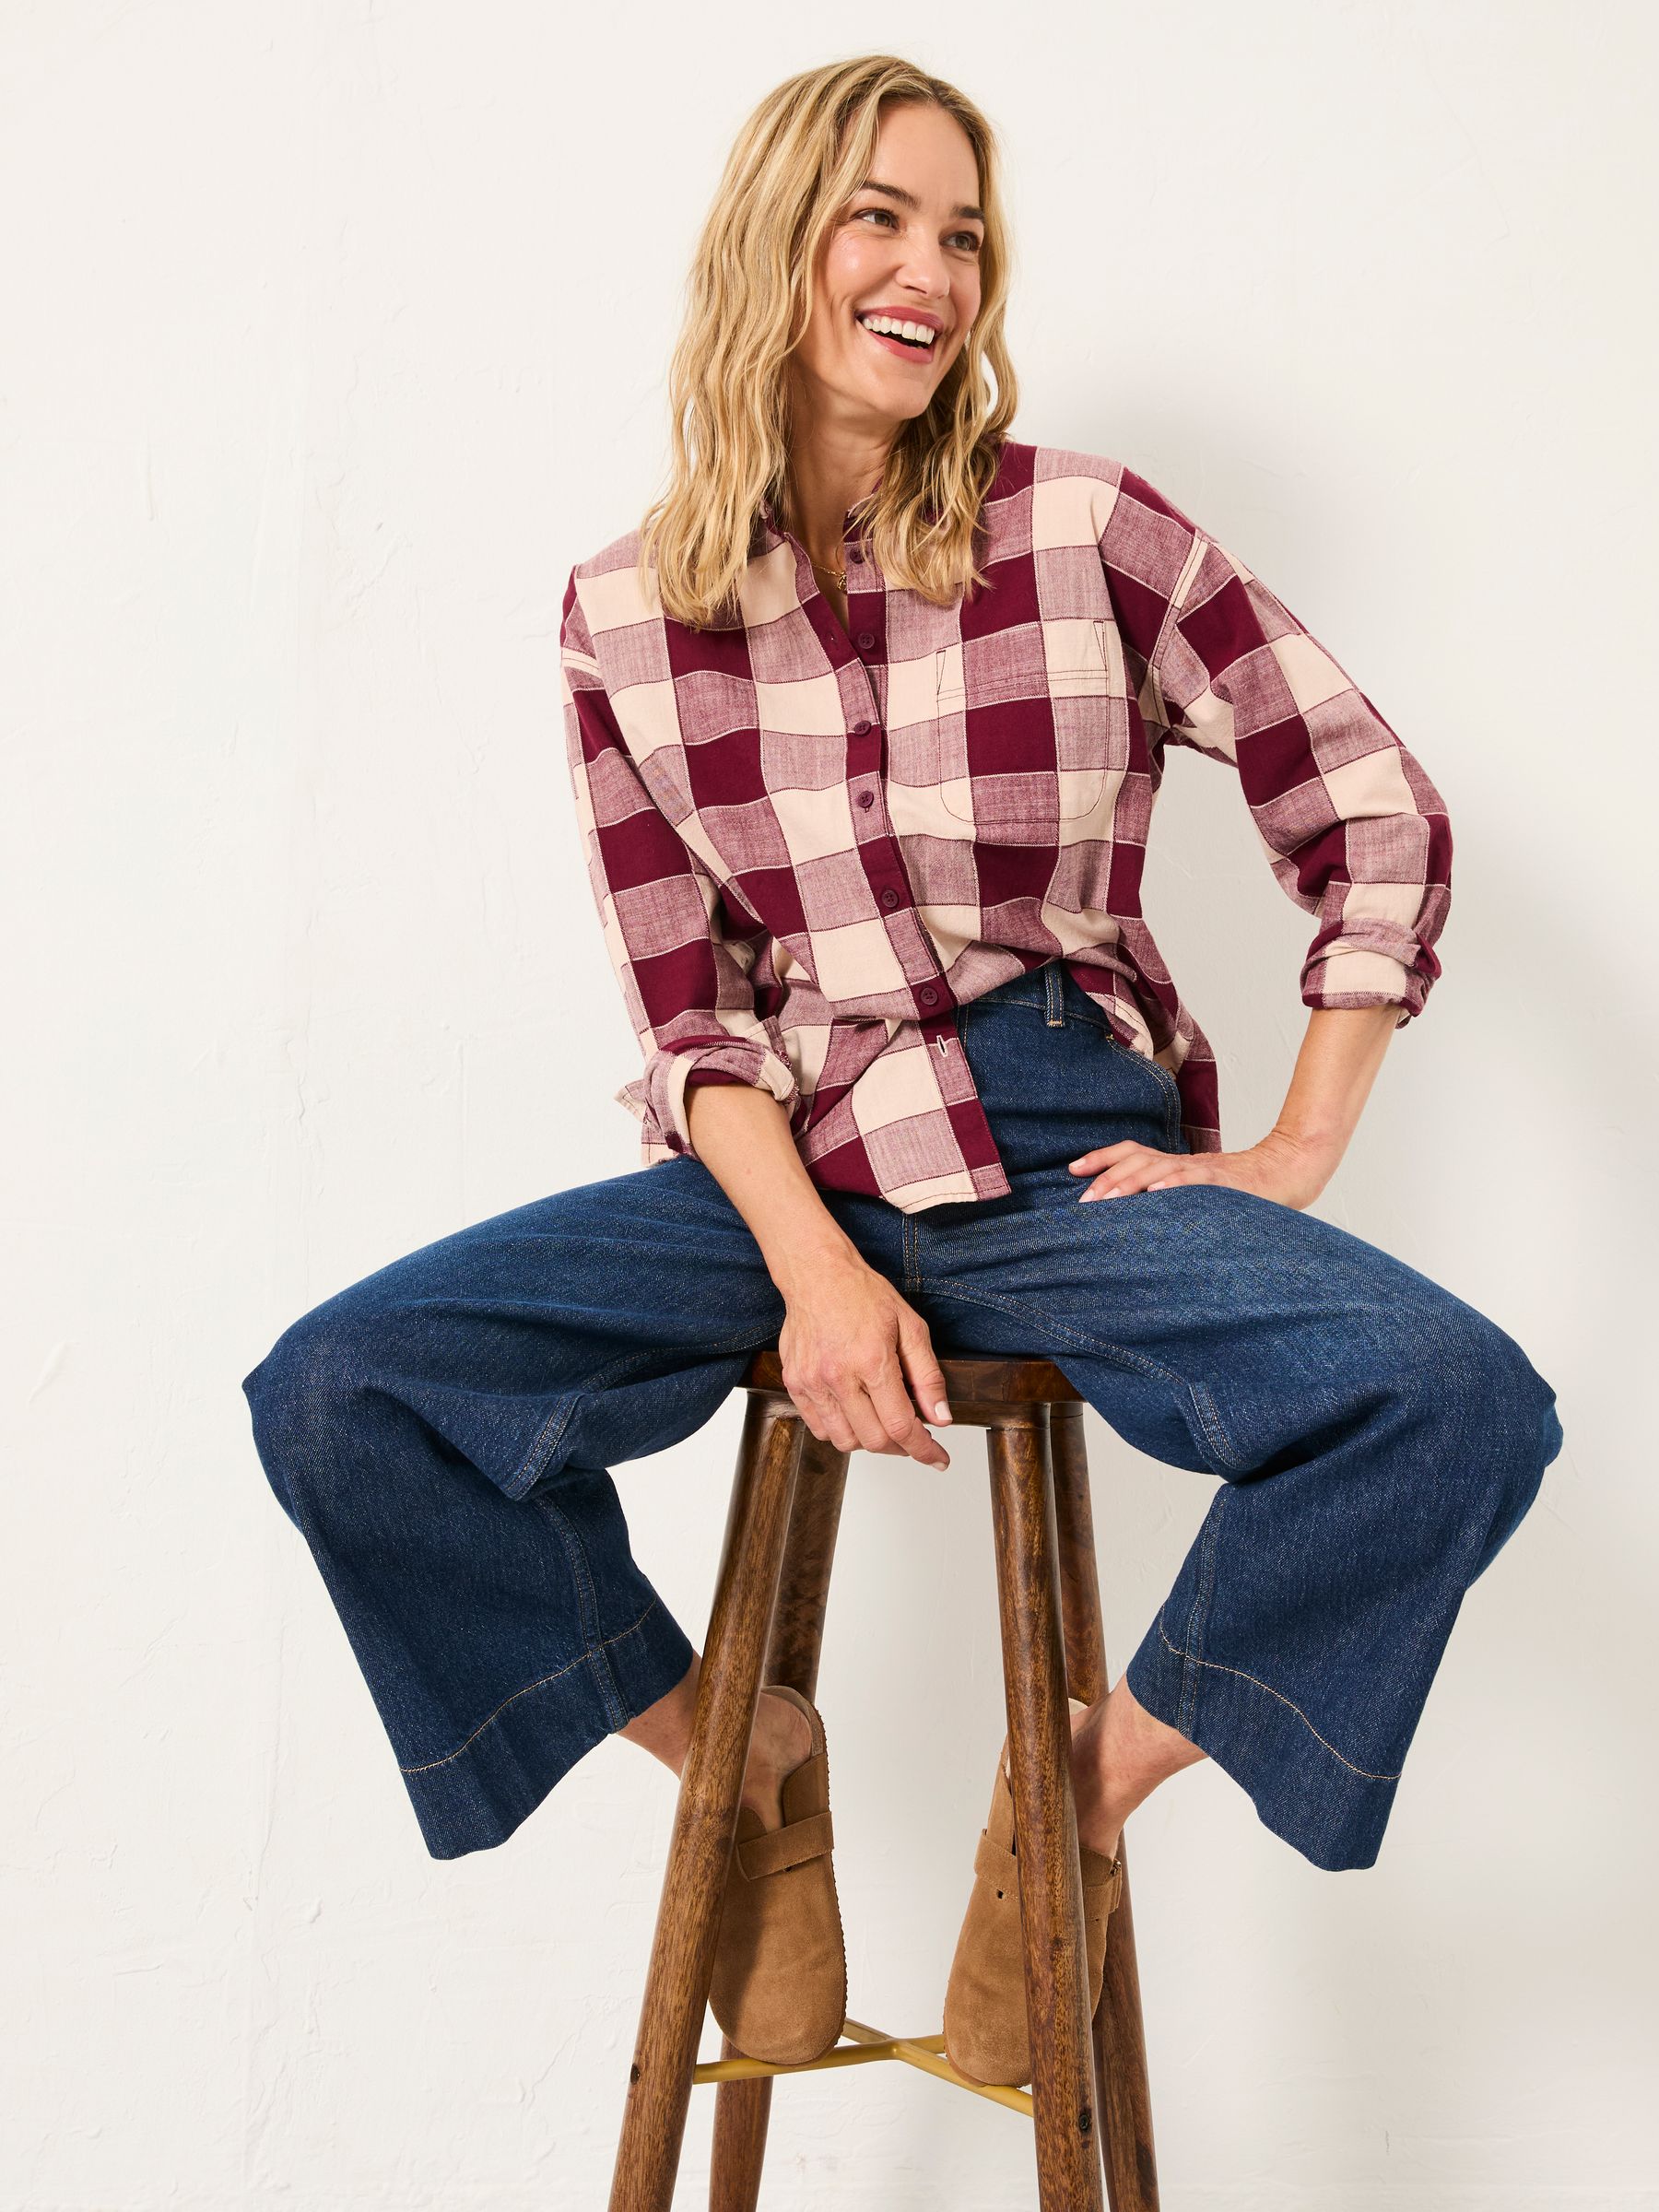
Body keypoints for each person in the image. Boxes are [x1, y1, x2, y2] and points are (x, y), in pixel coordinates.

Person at [241, 56, 1563, 2090]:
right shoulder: (625, 615)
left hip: (1061, 1160)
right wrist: (814, 1271)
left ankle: (1074, 1801)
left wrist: (1302, 1145)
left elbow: (1373, 808)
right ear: (773, 240)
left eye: (961, 233)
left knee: (1457, 1400)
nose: (929, 271)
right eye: (879, 217)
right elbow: (690, 1012)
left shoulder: (1090, 529)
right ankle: (738, 1748)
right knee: (344, 1391)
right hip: (787, 1169)